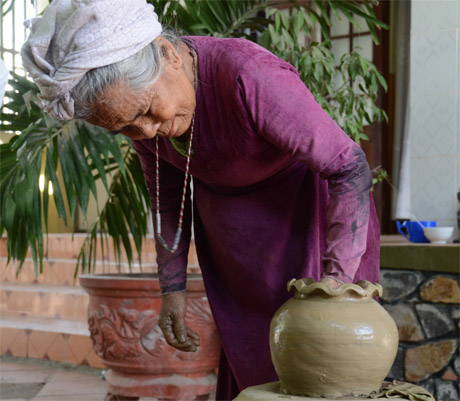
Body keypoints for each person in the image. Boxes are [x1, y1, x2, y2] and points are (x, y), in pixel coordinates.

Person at [21, 0, 379, 399]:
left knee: (318, 368)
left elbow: (349, 167)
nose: (149, 131)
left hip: (310, 227)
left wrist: (336, 285)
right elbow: (167, 200)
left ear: (168, 54)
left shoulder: (249, 75)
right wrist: (171, 289)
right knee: (253, 368)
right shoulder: (145, 124)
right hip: (236, 249)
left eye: (146, 111)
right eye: (126, 128)